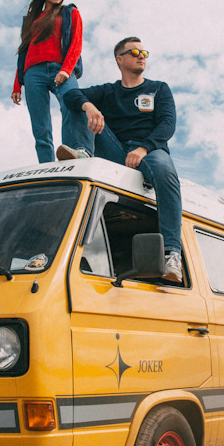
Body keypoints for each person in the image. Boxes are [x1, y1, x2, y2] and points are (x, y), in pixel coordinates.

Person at [62, 37, 184, 282]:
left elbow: (167, 125)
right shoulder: (108, 91)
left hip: (150, 151)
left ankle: (172, 254)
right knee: (77, 104)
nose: (142, 56)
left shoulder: (158, 88)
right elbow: (70, 96)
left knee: (166, 173)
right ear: (120, 59)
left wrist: (143, 148)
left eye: (144, 52)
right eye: (135, 51)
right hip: (115, 150)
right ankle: (83, 152)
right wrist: (89, 106)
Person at [11, 0, 92, 163]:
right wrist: (17, 85)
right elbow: (24, 52)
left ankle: (74, 155)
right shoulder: (31, 20)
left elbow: (76, 44)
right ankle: (46, 168)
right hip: (33, 74)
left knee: (72, 105)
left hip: (62, 68)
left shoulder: (70, 12)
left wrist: (66, 69)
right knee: (41, 125)